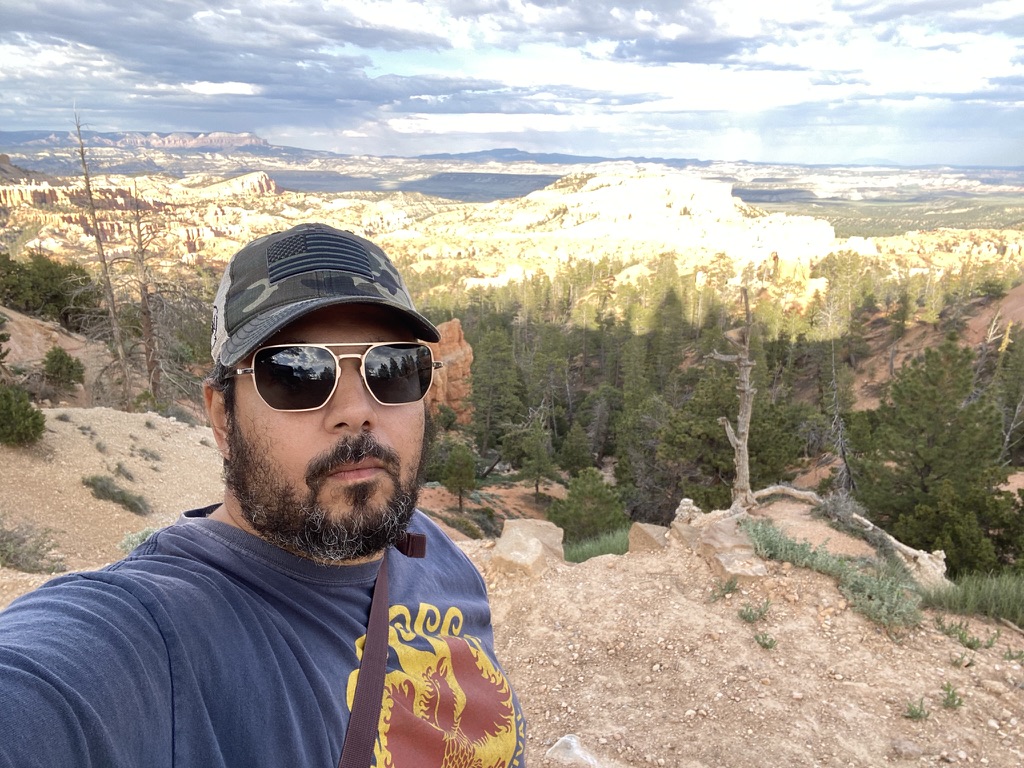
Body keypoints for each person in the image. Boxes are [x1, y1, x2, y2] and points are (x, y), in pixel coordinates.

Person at [0, 223, 526, 767]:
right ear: (222, 417)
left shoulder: (430, 549)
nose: (356, 410)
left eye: (390, 370)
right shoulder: (157, 630)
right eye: (296, 374)